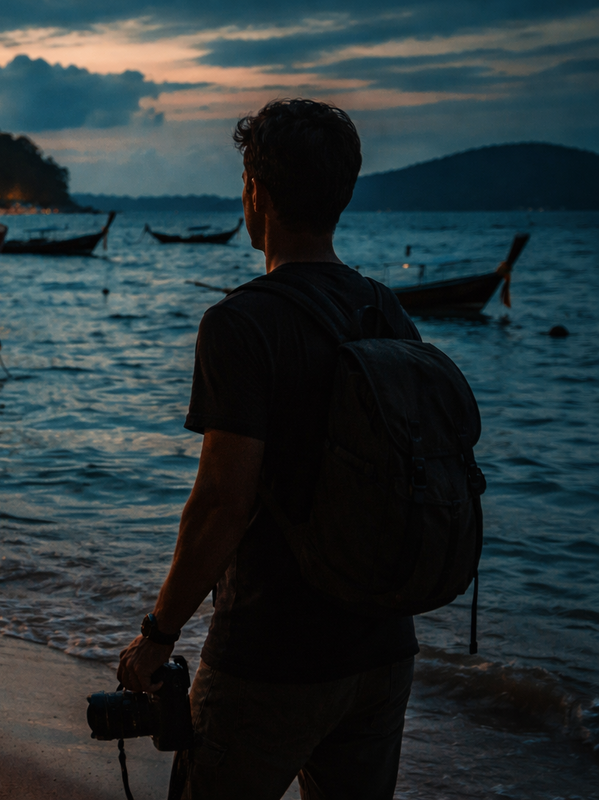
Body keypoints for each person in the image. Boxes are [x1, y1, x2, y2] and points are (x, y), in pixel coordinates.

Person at [117, 98, 421, 800]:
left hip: (272, 655)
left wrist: (159, 632)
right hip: (381, 650)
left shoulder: (241, 323)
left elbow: (223, 502)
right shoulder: (387, 311)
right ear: (342, 192)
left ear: (256, 192)